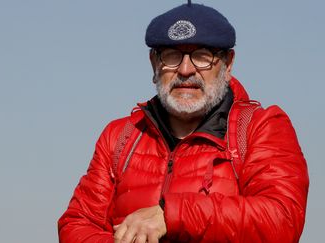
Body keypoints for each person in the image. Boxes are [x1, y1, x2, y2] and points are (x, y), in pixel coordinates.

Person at [58, 2, 309, 243]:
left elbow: (282, 220)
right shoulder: (121, 137)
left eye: (202, 56)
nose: (186, 70)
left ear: (228, 63)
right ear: (154, 63)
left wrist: (172, 215)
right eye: (172, 55)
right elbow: (77, 224)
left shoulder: (261, 128)